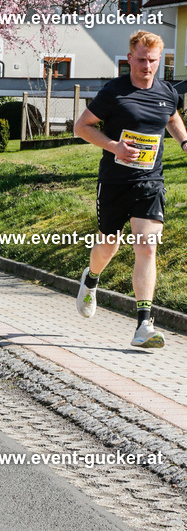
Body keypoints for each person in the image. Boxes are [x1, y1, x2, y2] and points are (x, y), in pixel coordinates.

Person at [73, 30, 187, 348]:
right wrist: (114, 147)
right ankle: (91, 278)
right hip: (113, 182)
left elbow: (172, 116)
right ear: (129, 59)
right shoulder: (115, 92)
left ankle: (143, 326)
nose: (147, 66)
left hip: (150, 182)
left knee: (147, 246)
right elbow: (81, 127)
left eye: (153, 60)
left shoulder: (167, 91)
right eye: (141, 60)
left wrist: (184, 140)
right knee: (108, 246)